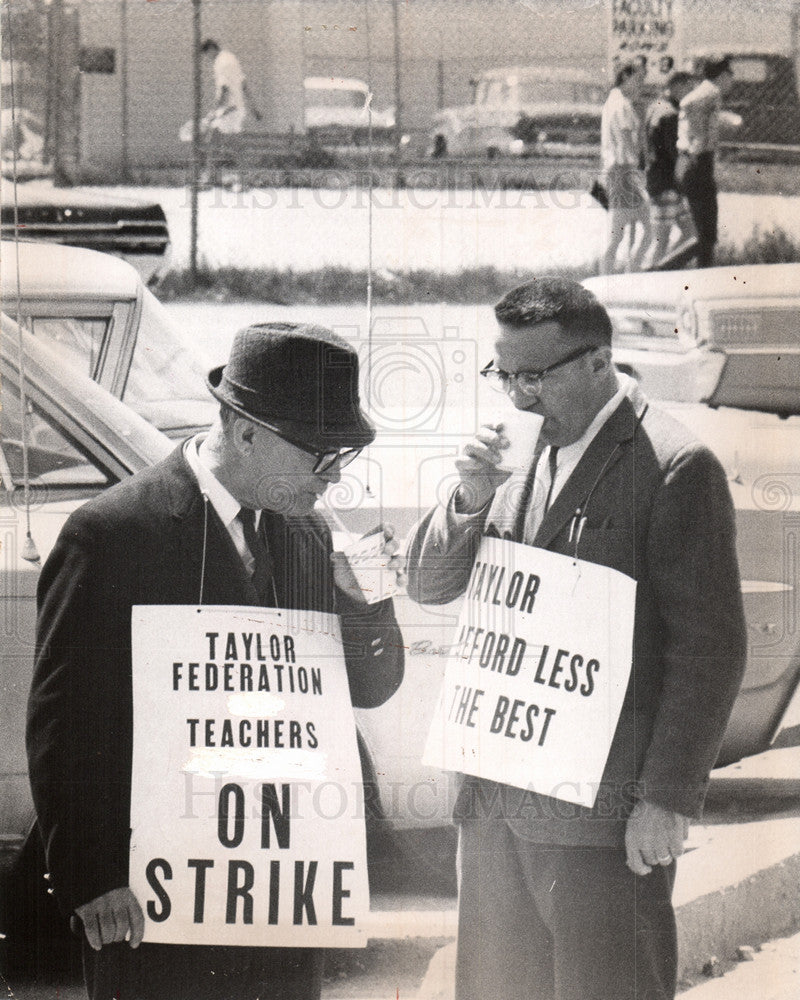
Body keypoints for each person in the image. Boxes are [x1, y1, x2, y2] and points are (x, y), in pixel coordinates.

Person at [27, 323, 406, 1000]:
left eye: (341, 457)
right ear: (247, 432)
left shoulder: (307, 532)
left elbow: (372, 689)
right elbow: (63, 726)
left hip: (281, 901)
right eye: (319, 456)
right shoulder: (111, 534)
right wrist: (93, 878)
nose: (335, 476)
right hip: (153, 902)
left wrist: (369, 598)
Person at [405, 277, 747, 1000]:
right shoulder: (514, 453)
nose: (518, 396)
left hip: (602, 818)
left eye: (535, 376)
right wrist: (465, 500)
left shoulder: (675, 466)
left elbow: (709, 649)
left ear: (598, 363)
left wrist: (667, 798)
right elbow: (430, 586)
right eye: (504, 374)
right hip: (496, 808)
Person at [676, 55, 741, 268]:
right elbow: (688, 103)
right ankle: (662, 269)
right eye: (730, 74)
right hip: (699, 163)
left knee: (705, 235)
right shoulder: (711, 92)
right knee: (705, 235)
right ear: (722, 75)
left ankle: (692, 271)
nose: (732, 80)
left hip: (698, 164)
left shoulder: (711, 93)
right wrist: (697, 139)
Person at [600, 61, 653, 273]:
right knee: (622, 233)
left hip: (618, 171)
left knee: (642, 228)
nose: (641, 84)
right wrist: (638, 172)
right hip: (622, 171)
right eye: (638, 79)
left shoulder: (616, 101)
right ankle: (613, 276)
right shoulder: (620, 104)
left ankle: (630, 270)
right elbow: (625, 140)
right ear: (626, 78)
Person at [643, 71, 698, 268]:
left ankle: (666, 267)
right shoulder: (671, 114)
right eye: (688, 88)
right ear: (677, 86)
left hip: (660, 181)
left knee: (692, 234)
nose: (690, 92)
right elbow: (675, 153)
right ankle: (654, 273)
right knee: (663, 239)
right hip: (668, 183)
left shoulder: (655, 107)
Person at [200, 38, 262, 135]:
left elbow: (224, 89)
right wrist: (253, 108)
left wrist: (215, 111)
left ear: (211, 49)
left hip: (228, 108)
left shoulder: (219, 63)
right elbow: (243, 85)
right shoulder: (231, 58)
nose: (209, 58)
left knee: (214, 135)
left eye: (207, 54)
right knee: (233, 140)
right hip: (239, 108)